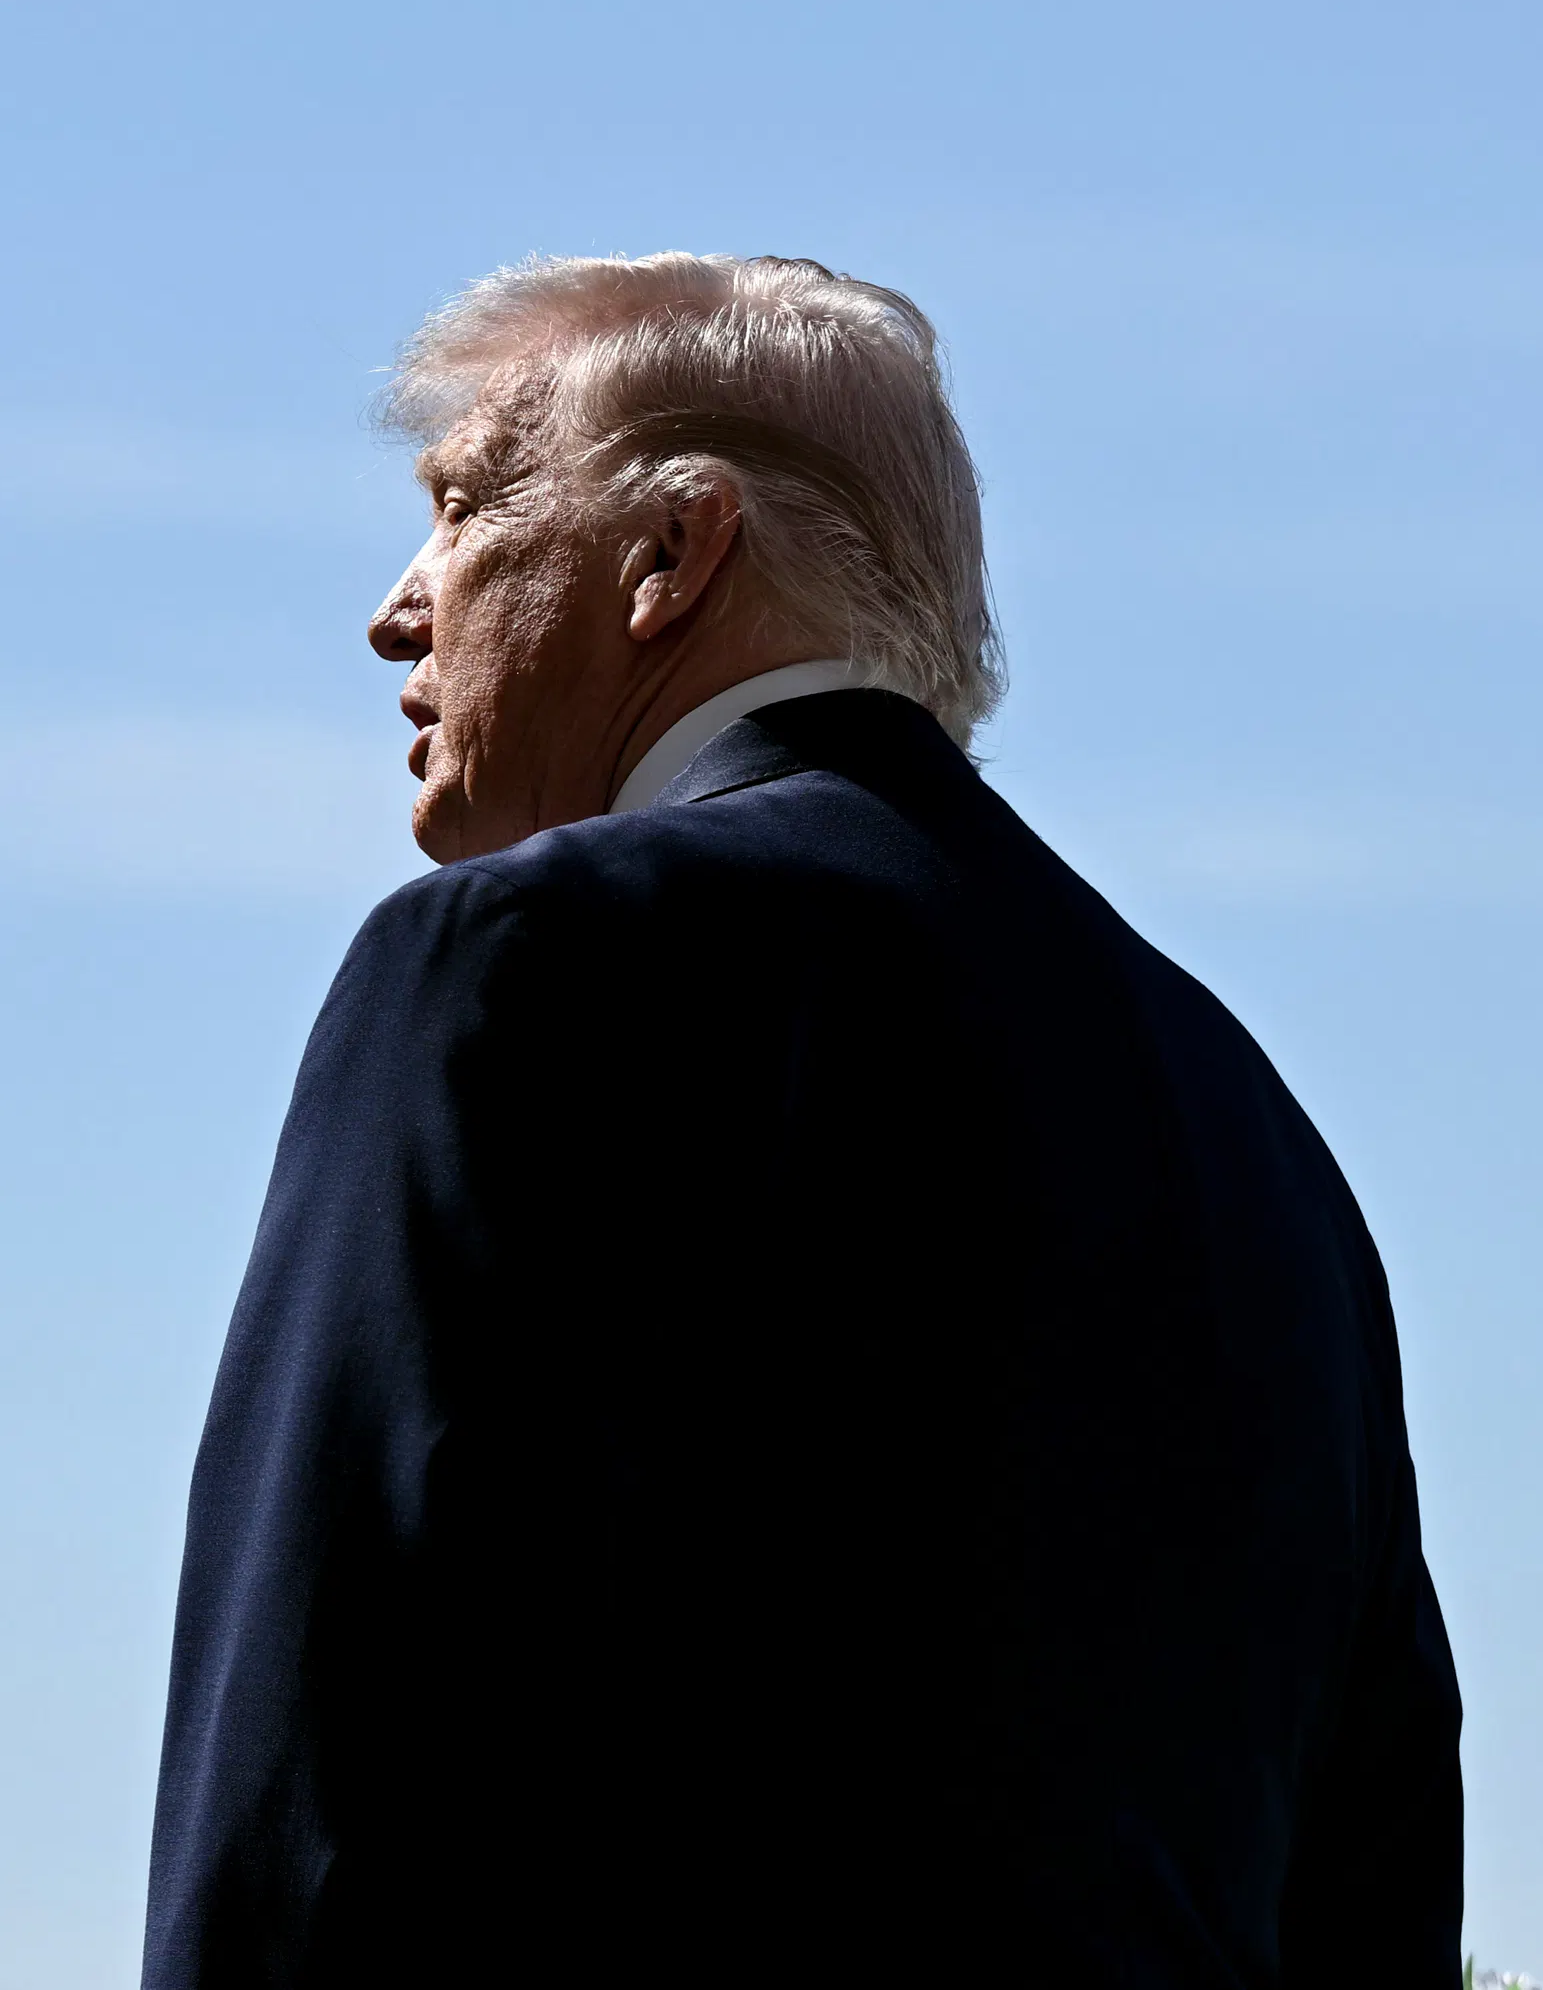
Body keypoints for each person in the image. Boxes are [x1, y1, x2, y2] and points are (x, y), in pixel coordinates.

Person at [144, 255, 1459, 1984]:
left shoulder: (518, 976)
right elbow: (1376, 1888)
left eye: (460, 509)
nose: (400, 610)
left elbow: (305, 1808)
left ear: (673, 556)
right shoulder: (1258, 1138)